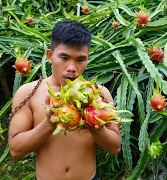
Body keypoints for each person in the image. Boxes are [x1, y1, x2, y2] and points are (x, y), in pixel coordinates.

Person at [8, 20, 121, 180]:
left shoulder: (100, 94)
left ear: (88, 58)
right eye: (64, 57)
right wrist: (49, 124)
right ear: (50, 56)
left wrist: (94, 125)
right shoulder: (29, 94)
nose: (72, 68)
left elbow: (115, 147)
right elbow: (15, 150)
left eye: (80, 60)